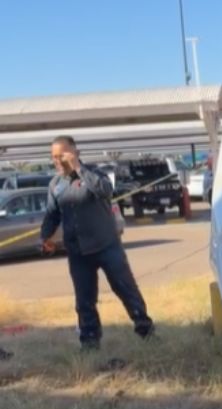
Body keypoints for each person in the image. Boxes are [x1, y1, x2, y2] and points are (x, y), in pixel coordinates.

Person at [39, 136, 153, 350]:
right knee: (84, 299)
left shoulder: (95, 174)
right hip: (78, 252)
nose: (57, 160)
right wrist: (45, 237)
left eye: (61, 155)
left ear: (75, 152)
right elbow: (52, 215)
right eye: (53, 156)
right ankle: (90, 340)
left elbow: (105, 191)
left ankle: (145, 328)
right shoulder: (55, 184)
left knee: (125, 288)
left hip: (106, 246)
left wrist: (79, 169)